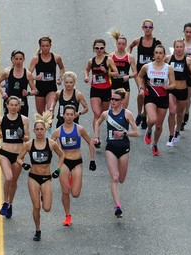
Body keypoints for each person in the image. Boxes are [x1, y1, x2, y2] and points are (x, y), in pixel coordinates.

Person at [16, 111, 64, 241]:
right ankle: (37, 230)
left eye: (41, 129)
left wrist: (58, 170)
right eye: (37, 129)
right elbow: (18, 158)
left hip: (47, 178)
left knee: (47, 208)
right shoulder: (29, 144)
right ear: (34, 131)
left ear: (45, 129)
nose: (39, 132)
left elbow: (62, 155)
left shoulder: (52, 144)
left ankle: (44, 195)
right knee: (36, 207)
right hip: (33, 177)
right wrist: (24, 164)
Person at [93, 88, 138, 218]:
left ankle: (117, 202)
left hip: (124, 148)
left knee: (122, 179)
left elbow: (136, 132)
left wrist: (124, 133)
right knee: (115, 177)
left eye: (116, 100)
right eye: (111, 99)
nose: (112, 101)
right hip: (111, 148)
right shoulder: (106, 114)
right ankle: (118, 206)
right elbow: (97, 123)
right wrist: (97, 137)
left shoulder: (127, 114)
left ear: (122, 101)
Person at [51, 105, 96, 226]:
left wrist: (92, 160)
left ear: (75, 115)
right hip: (64, 163)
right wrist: (57, 152)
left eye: (72, 114)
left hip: (77, 162)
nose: (69, 117)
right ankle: (68, 215)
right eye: (67, 114)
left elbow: (90, 141)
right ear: (63, 115)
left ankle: (72, 180)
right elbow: (50, 146)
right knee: (65, 191)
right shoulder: (58, 131)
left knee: (75, 194)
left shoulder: (80, 129)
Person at [0, 96, 30, 219]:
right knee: (8, 177)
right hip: (5, 153)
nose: (13, 107)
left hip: (18, 155)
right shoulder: (1, 120)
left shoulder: (24, 120)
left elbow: (28, 138)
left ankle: (10, 204)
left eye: (15, 105)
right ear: (7, 105)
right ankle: (5, 202)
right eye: (11, 105)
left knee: (13, 182)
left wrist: (21, 135)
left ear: (19, 107)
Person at [136, 45, 176, 156]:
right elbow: (139, 77)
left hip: (163, 98)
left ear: (164, 55)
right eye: (156, 53)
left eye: (160, 53)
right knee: (152, 120)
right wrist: (141, 88)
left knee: (159, 126)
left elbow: (173, 84)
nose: (158, 55)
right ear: (153, 54)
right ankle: (149, 130)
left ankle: (155, 144)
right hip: (150, 97)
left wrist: (168, 87)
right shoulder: (147, 67)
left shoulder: (168, 68)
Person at [84, 39, 119, 147]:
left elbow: (116, 73)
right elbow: (87, 70)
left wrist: (106, 72)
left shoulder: (108, 60)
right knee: (96, 113)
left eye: (101, 48)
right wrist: (86, 76)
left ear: (104, 48)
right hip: (95, 89)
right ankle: (96, 138)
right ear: (94, 49)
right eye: (97, 48)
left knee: (102, 114)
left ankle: (97, 129)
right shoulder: (91, 61)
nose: (99, 50)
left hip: (106, 90)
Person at [128, 19, 162, 129]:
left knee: (149, 95)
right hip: (140, 73)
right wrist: (129, 57)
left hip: (152, 73)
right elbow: (130, 46)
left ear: (153, 29)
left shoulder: (157, 42)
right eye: (146, 27)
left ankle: (144, 115)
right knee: (141, 93)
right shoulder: (138, 41)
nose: (148, 29)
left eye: (150, 27)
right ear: (142, 28)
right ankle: (139, 113)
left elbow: (162, 54)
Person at [164, 39, 191, 146]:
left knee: (179, 113)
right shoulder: (168, 58)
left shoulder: (188, 60)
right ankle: (171, 135)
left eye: (181, 47)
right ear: (174, 48)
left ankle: (177, 130)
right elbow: (159, 66)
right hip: (172, 89)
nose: (179, 49)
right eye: (177, 47)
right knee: (172, 112)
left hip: (183, 90)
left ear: (184, 48)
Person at [0, 50, 38, 117]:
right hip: (9, 102)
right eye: (16, 59)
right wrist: (2, 92)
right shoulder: (7, 72)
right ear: (13, 59)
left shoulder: (28, 74)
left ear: (24, 59)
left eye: (20, 59)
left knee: (23, 123)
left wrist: (28, 93)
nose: (18, 61)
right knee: (8, 123)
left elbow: (35, 91)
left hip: (22, 103)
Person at [29, 36, 65, 115]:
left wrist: (60, 78)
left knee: (50, 111)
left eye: (47, 46)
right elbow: (28, 74)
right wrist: (35, 78)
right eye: (43, 46)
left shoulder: (56, 58)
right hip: (40, 89)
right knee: (41, 114)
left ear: (50, 46)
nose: (45, 48)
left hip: (51, 88)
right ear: (40, 47)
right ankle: (44, 127)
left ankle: (49, 127)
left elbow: (62, 68)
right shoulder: (36, 58)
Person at [109, 30, 137, 109]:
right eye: (119, 44)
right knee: (114, 107)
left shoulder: (130, 57)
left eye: (123, 44)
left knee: (123, 109)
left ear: (126, 45)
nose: (121, 46)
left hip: (124, 85)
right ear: (116, 44)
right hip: (113, 84)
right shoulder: (111, 56)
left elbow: (135, 73)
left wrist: (129, 76)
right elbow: (107, 71)